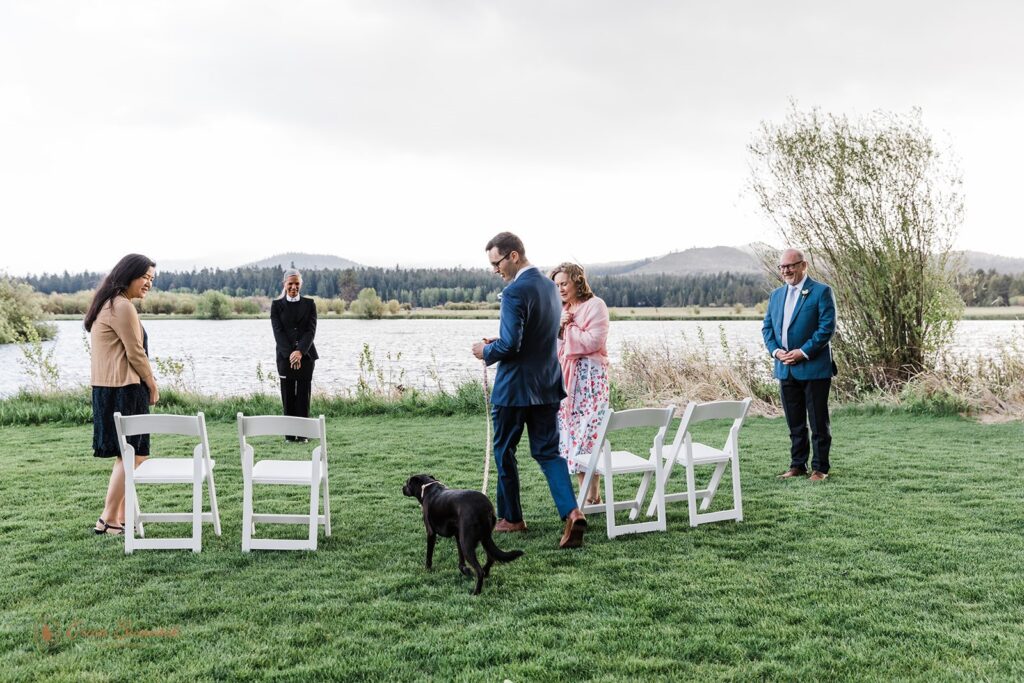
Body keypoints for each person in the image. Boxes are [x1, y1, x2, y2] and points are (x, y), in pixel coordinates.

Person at [472, 232, 588, 549]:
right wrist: (496, 344)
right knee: (549, 454)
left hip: (514, 390)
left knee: (504, 452)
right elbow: (536, 337)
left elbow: (512, 344)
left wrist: (486, 352)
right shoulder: (552, 289)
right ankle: (572, 512)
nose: (495, 270)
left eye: (497, 263)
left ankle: (511, 517)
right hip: (548, 386)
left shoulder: (513, 293)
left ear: (513, 256)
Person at [84, 253, 159, 535]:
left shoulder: (108, 303)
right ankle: (108, 518)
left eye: (152, 279)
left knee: (132, 454)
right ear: (129, 275)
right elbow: (135, 352)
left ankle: (122, 516)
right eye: (145, 277)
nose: (149, 283)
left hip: (109, 388)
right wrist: (151, 383)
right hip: (124, 389)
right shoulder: (122, 306)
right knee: (132, 455)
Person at [761, 248, 837, 481]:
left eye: (791, 265)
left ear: (803, 266)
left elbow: (827, 328)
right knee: (794, 423)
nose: (786, 270)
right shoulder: (775, 296)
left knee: (818, 423)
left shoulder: (821, 292)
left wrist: (802, 352)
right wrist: (776, 352)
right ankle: (797, 465)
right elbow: (767, 329)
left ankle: (820, 469)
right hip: (785, 368)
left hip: (814, 368)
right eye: (782, 267)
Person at [550, 262, 610, 505]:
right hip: (568, 382)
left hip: (590, 381)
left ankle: (591, 496)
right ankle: (589, 496)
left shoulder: (595, 305)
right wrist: (559, 325)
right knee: (572, 435)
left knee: (589, 433)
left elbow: (593, 341)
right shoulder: (562, 309)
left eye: (564, 283)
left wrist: (568, 326)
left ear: (577, 281)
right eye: (556, 285)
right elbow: (555, 346)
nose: (561, 289)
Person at [270, 269, 318, 441]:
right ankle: (290, 436)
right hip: (284, 357)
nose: (293, 287)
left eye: (297, 283)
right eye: (290, 284)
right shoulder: (276, 306)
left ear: (301, 284)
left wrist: (300, 352)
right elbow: (278, 333)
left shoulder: (310, 304)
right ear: (284, 284)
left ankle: (304, 435)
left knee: (303, 396)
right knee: (288, 396)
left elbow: (310, 331)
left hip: (306, 356)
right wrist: (291, 354)